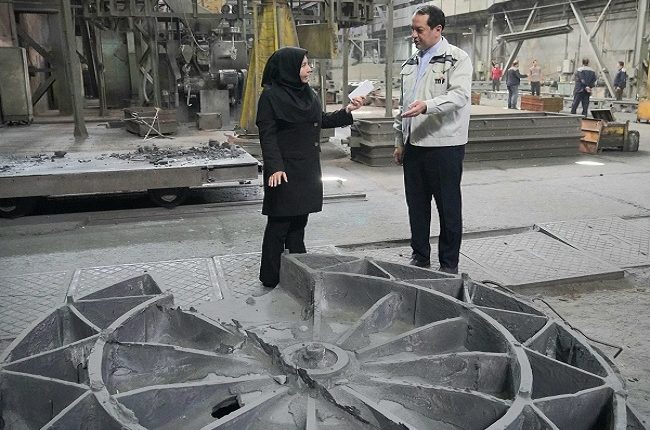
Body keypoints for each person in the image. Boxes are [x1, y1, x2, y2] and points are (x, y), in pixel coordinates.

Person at [256, 47, 364, 288]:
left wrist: (347, 110)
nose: (310, 68)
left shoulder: (307, 93)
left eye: (308, 64)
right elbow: (267, 135)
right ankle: (271, 276)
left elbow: (321, 119)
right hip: (283, 171)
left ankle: (298, 271)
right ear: (289, 69)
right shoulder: (270, 97)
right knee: (279, 224)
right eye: (304, 65)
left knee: (298, 224)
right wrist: (275, 167)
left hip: (306, 169)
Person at [392, 5, 472, 274]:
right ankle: (420, 256)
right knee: (416, 206)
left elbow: (459, 96)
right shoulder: (410, 63)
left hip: (444, 146)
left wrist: (428, 105)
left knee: (448, 208)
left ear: (438, 29)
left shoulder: (457, 59)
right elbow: (403, 105)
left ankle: (448, 263)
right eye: (412, 29)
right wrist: (399, 140)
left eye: (419, 30)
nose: (413, 35)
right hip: (414, 145)